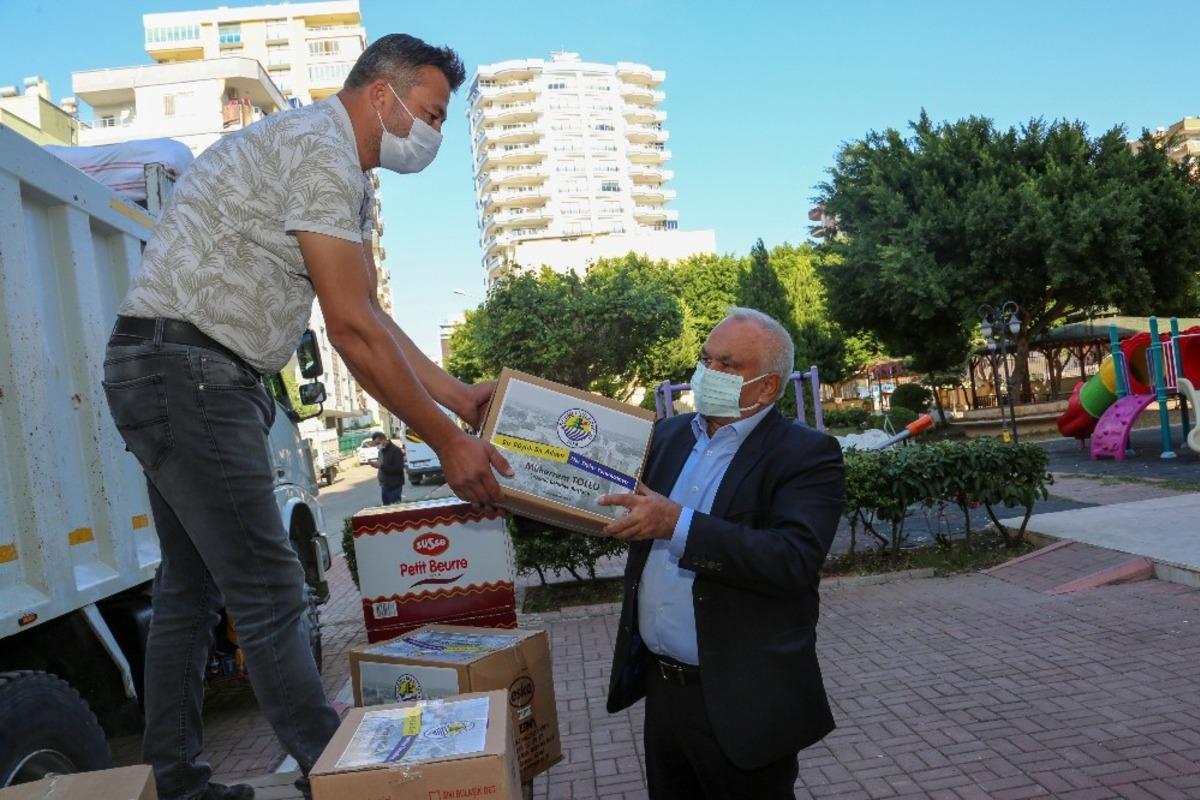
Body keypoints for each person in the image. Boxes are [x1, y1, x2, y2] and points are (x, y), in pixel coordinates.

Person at [101, 34, 511, 800]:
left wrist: (458, 397)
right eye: (429, 114)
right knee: (269, 588)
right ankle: (345, 781)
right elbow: (350, 332)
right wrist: (447, 443)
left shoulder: (335, 166)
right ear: (381, 94)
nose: (434, 137)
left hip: (170, 369)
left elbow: (371, 315)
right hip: (191, 373)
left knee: (191, 590)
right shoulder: (321, 149)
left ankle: (180, 784)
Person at [599, 308, 846, 800]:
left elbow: (792, 560)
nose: (708, 374)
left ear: (767, 387)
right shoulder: (668, 437)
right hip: (664, 691)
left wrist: (677, 523)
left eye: (728, 366)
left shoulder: (806, 454)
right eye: (706, 359)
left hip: (743, 700)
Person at [371, 431, 406, 504]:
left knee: (395, 510)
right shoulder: (381, 451)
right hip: (384, 485)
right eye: (375, 444)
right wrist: (377, 465)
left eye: (378, 443)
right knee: (386, 510)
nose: (377, 446)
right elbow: (382, 465)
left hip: (394, 486)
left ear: (383, 439)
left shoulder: (396, 451)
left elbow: (398, 469)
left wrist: (381, 466)